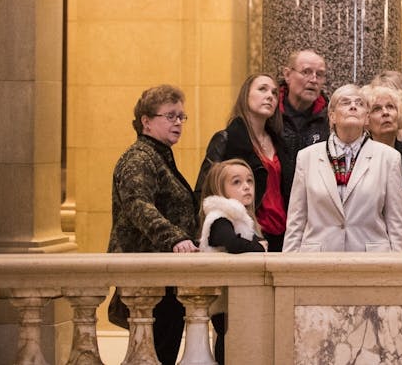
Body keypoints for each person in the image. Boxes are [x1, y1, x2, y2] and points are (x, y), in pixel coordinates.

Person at [108, 84, 199, 365]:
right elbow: (138, 204)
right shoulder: (139, 157)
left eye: (182, 116)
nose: (178, 123)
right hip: (150, 278)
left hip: (164, 276)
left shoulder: (158, 156)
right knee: (152, 355)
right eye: (170, 116)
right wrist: (174, 238)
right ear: (146, 121)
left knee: (161, 353)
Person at [283, 83, 402, 253]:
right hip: (317, 260)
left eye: (359, 103)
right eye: (345, 102)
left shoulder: (388, 158)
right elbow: (296, 220)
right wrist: (288, 268)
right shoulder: (307, 157)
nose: (353, 106)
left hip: (371, 261)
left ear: (366, 118)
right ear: (332, 116)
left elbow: (396, 224)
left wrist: (399, 271)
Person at [196, 72, 294, 251]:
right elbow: (204, 191)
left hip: (283, 234)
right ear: (245, 96)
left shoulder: (281, 143)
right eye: (262, 89)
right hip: (246, 234)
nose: (269, 96)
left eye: (274, 93)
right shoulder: (226, 139)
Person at [198, 159, 267, 364]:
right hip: (223, 298)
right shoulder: (218, 218)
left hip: (238, 296)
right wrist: (258, 247)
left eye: (249, 181)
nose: (246, 187)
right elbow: (233, 244)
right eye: (236, 182)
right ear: (220, 188)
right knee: (226, 341)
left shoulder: (242, 219)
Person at [364, 81, 402, 250]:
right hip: (372, 242)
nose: (385, 113)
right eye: (377, 109)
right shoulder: (361, 157)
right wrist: (396, 204)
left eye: (390, 107)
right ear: (366, 120)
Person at [278, 48, 330, 152]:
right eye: (306, 72)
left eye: (319, 74)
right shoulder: (270, 113)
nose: (314, 80)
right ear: (287, 75)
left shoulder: (329, 118)